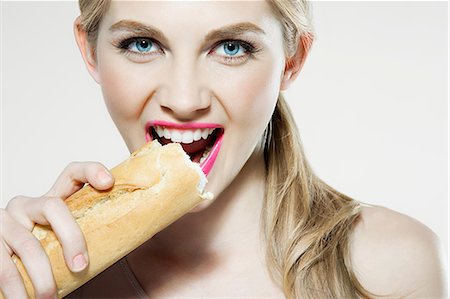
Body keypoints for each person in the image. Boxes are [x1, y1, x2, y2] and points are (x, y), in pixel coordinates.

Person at [0, 0, 447, 298]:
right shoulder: (49, 281)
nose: (184, 97)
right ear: (91, 51)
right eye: (142, 44)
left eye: (231, 47)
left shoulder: (391, 267)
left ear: (291, 61)